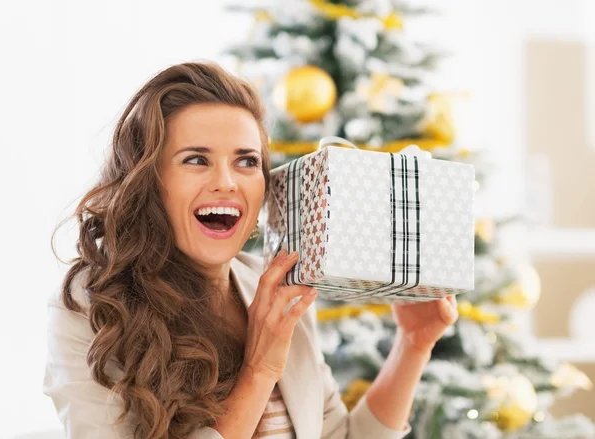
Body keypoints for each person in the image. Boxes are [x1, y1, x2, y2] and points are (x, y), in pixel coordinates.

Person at [44, 61, 459, 439]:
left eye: (246, 162)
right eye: (195, 160)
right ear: (149, 183)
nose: (227, 182)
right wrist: (259, 371)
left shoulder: (274, 291)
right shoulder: (93, 310)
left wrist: (413, 343)